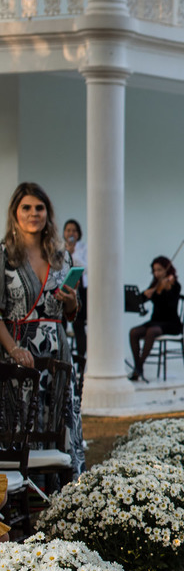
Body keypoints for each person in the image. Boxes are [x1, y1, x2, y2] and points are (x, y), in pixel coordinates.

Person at [0, 182, 84, 472]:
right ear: (15, 212)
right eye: (27, 208)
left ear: (48, 213)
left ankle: (59, 496)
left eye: (40, 208)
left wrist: (71, 301)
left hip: (57, 352)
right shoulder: (3, 256)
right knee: (21, 423)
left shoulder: (62, 257)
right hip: (19, 354)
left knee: (56, 420)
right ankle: (22, 492)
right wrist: (13, 350)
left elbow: (72, 313)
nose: (33, 213)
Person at [128, 255, 182, 382]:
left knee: (151, 331)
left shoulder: (174, 285)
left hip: (171, 323)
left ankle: (139, 367)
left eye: (159, 270)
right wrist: (145, 294)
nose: (156, 273)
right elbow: (140, 301)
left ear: (166, 270)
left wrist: (164, 290)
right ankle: (138, 366)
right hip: (155, 321)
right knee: (134, 332)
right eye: (154, 270)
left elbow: (171, 305)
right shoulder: (154, 284)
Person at [62, 218, 87, 358]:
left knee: (79, 324)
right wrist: (66, 251)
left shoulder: (84, 248)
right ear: (64, 233)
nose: (71, 233)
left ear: (78, 233)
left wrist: (73, 253)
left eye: (74, 230)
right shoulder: (59, 247)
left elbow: (86, 267)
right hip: (63, 287)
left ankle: (81, 357)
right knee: (62, 321)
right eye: (68, 230)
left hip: (80, 289)